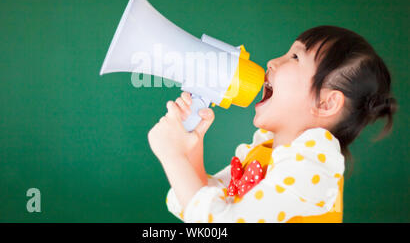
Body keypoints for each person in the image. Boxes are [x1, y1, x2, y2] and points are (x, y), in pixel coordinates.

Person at [147, 25, 397, 223]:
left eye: (296, 57)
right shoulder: (263, 150)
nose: (273, 63)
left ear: (325, 103)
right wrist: (191, 152)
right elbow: (207, 203)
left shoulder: (314, 167)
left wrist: (173, 157)